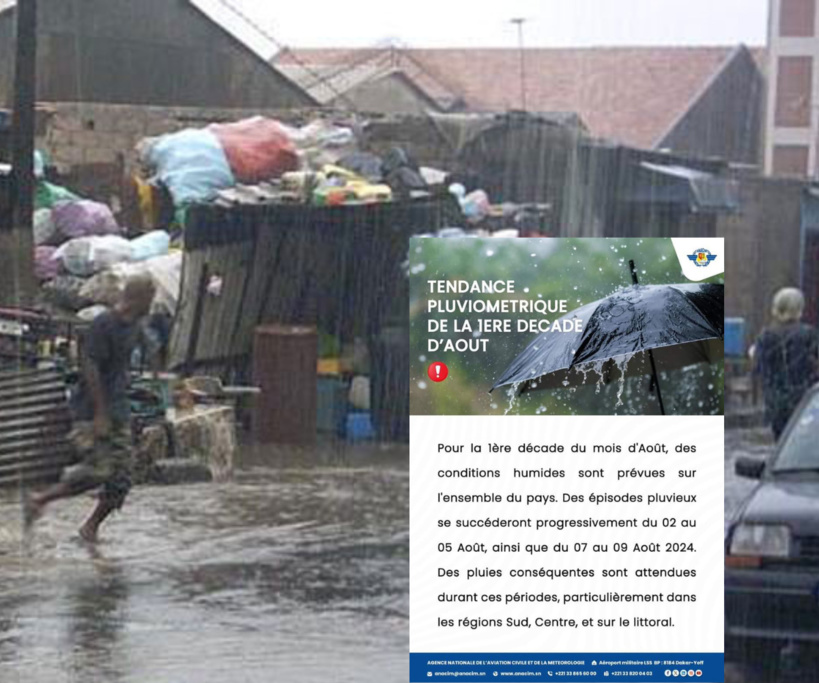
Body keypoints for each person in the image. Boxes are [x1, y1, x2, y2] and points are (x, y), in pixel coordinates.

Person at [24, 275, 157, 542]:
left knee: (122, 478)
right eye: (149, 301)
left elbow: (148, 346)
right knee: (100, 469)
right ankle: (40, 499)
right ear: (137, 299)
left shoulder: (134, 324)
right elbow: (90, 367)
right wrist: (100, 413)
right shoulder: (103, 324)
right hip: (90, 410)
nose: (151, 306)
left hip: (118, 408)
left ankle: (90, 527)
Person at [751, 287, 819, 441]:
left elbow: (758, 369)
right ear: (798, 308)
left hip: (776, 406)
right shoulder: (808, 335)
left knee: (782, 443)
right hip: (804, 404)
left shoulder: (765, 336)